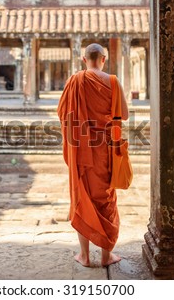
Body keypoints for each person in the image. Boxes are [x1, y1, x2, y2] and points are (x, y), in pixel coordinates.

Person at [57, 43, 129, 267]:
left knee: (82, 199)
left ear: (83, 59)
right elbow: (124, 115)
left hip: (82, 153)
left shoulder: (75, 81)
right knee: (106, 201)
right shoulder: (113, 82)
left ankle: (85, 256)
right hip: (105, 151)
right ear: (104, 59)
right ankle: (107, 257)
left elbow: (62, 113)